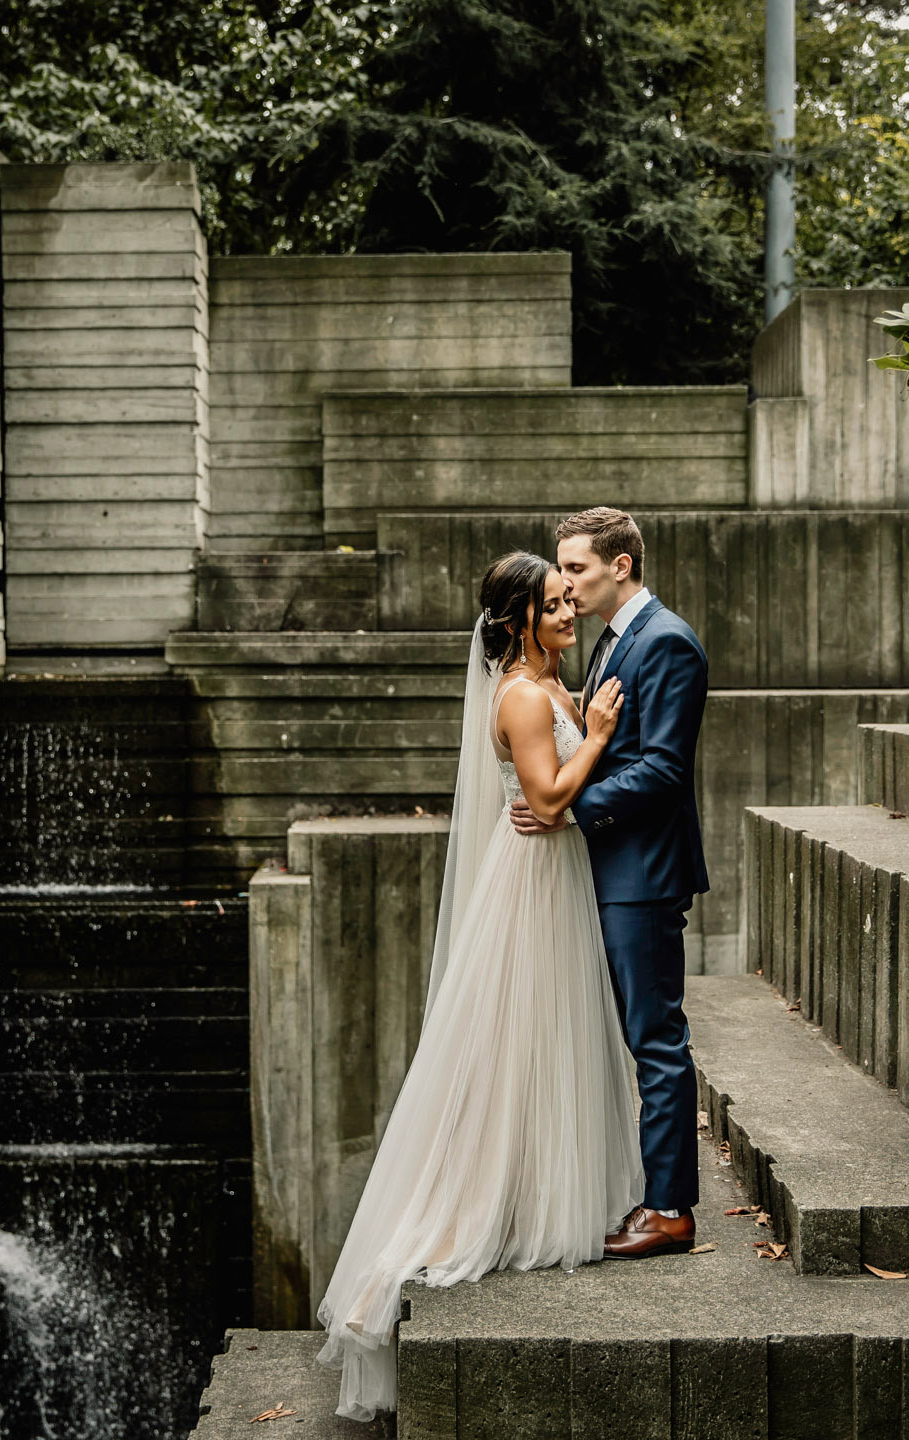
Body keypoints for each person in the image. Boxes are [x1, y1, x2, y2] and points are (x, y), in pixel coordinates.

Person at [315, 551, 643, 1421]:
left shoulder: (543, 687)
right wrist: (599, 737)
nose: (570, 611)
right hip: (534, 880)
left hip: (547, 873)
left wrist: (585, 723)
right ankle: (451, 1223)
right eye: (554, 604)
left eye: (571, 598)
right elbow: (548, 795)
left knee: (537, 1040)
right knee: (510, 1042)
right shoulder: (527, 697)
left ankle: (529, 1185)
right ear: (517, 622)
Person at [512, 507, 710, 1259]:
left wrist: (566, 811)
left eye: (577, 567)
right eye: (563, 567)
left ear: (620, 565)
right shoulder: (612, 641)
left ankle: (670, 1211)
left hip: (643, 875)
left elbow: (663, 768)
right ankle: (646, 1195)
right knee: (634, 1035)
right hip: (611, 867)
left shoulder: (667, 643)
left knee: (656, 1038)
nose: (564, 581)